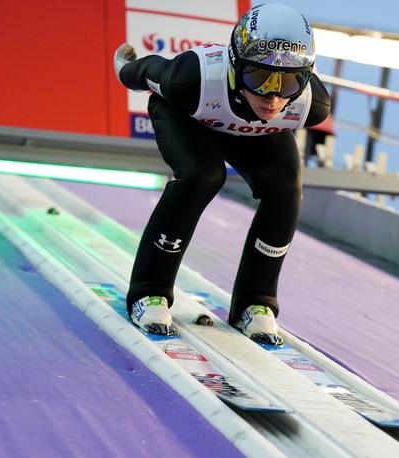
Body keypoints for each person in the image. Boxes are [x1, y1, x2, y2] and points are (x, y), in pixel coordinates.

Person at [113, 3, 330, 345]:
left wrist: (265, 90)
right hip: (190, 118)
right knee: (202, 176)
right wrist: (126, 64)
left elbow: (273, 101)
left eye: (288, 83)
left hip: (259, 132)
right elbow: (146, 71)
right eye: (258, 78)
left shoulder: (312, 105)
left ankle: (256, 302)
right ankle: (149, 291)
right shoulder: (191, 79)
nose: (273, 97)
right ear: (233, 66)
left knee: (286, 189)